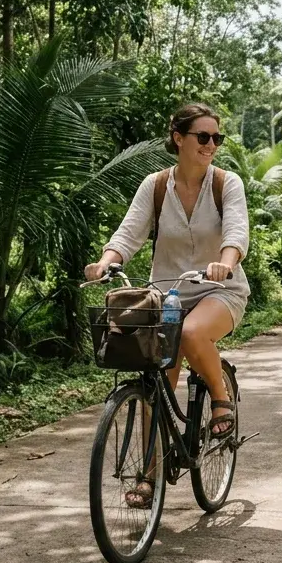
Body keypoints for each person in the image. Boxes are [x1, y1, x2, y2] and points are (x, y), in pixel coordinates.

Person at [85, 103, 251, 507]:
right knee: (154, 381)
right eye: (203, 137)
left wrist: (225, 264)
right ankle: (148, 476)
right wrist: (106, 262)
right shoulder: (155, 186)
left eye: (217, 138)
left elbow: (236, 232)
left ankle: (220, 398)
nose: (211, 145)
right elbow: (129, 233)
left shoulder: (226, 184)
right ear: (179, 138)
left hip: (219, 291)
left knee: (194, 334)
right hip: (169, 294)